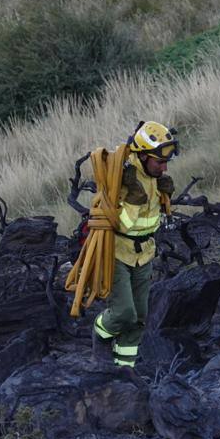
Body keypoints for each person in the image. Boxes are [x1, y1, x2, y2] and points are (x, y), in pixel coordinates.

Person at [91, 121, 177, 367]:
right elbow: (121, 225)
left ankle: (125, 370)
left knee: (139, 318)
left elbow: (152, 220)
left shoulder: (154, 177)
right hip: (117, 253)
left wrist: (166, 198)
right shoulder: (122, 178)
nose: (164, 167)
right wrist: (135, 200)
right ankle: (100, 333)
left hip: (144, 254)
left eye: (166, 162)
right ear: (143, 156)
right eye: (160, 162)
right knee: (124, 313)